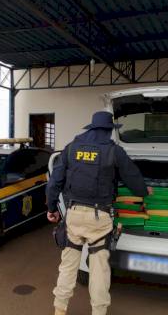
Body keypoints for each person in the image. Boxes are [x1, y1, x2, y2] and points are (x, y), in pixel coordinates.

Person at [46, 111, 150, 315]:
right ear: (109, 131)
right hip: (99, 219)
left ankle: (59, 310)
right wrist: (144, 191)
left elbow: (54, 183)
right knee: (99, 271)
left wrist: (51, 209)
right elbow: (132, 176)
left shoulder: (70, 148)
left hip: (74, 215)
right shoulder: (114, 151)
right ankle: (98, 312)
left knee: (67, 266)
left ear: (92, 128)